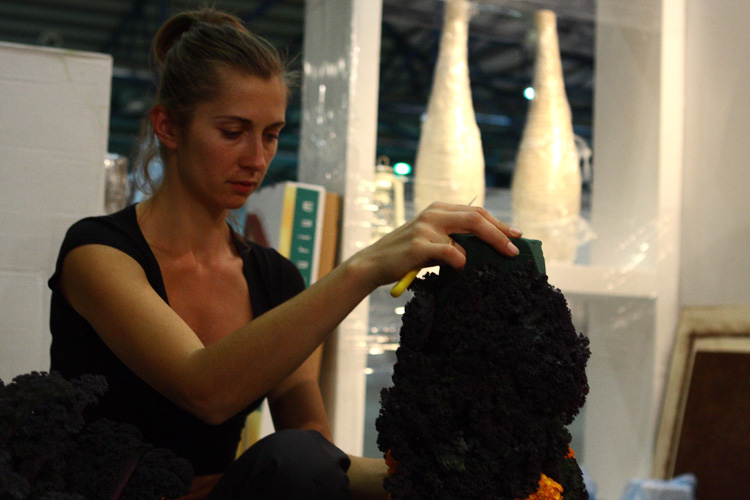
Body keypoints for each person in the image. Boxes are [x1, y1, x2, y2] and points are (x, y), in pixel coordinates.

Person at [48, 7, 522, 500]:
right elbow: (202, 388)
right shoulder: (98, 254)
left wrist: (461, 475)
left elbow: (316, 457)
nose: (257, 159)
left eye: (271, 135)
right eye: (233, 132)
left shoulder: (273, 279)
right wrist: (364, 267)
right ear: (167, 127)